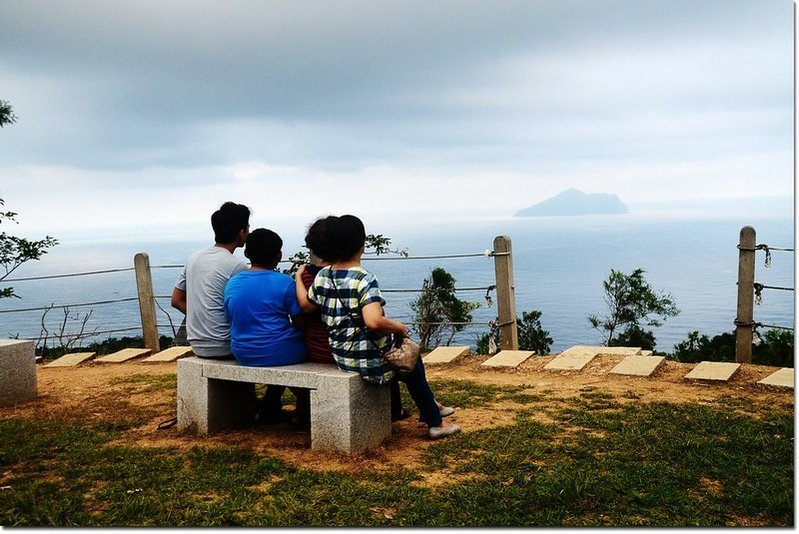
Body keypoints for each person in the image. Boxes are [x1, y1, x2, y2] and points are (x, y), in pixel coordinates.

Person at [296, 214, 461, 440]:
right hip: (368, 362)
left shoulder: (324, 275)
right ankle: (435, 421)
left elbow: (306, 305)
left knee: (409, 365)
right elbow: (373, 321)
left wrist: (298, 277)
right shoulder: (364, 279)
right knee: (412, 359)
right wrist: (398, 327)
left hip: (342, 357)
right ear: (362, 246)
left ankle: (431, 409)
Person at [224, 228, 310, 425]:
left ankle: (270, 403)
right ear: (279, 255)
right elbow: (299, 322)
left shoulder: (232, 283)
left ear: (246, 253)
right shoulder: (285, 283)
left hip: (243, 351)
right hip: (282, 352)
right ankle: (303, 404)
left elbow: (231, 316)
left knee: (275, 347)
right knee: (293, 346)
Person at [171, 201, 251, 359]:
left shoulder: (194, 258)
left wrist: (203, 319)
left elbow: (176, 300)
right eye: (248, 227)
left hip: (197, 344)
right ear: (241, 232)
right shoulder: (237, 266)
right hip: (225, 345)